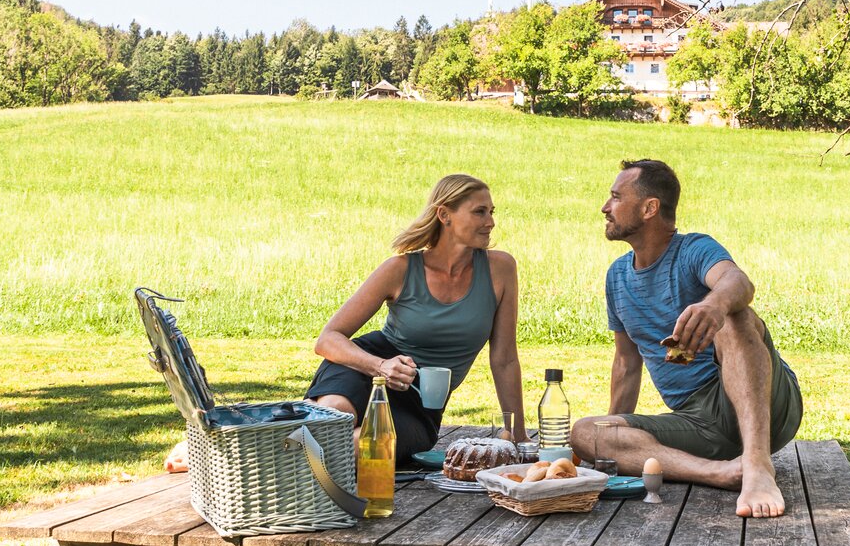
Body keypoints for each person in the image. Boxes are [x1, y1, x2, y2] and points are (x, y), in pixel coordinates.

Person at [570, 159, 802, 518]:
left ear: (650, 208)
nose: (605, 207)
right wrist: (608, 447)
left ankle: (757, 465)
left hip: (765, 402)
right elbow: (626, 364)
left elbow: (738, 282)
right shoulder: (617, 276)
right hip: (697, 424)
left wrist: (714, 305)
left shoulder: (692, 249)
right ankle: (723, 472)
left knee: (735, 316)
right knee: (586, 432)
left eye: (616, 197)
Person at [306, 173, 525, 463]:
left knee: (364, 445)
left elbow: (505, 358)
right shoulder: (400, 269)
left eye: (491, 212)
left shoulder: (500, 269)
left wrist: (519, 436)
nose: (490, 221)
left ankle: (301, 425)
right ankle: (305, 423)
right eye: (479, 212)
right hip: (368, 370)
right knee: (336, 414)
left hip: (420, 405)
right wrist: (381, 366)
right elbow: (327, 339)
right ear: (444, 215)